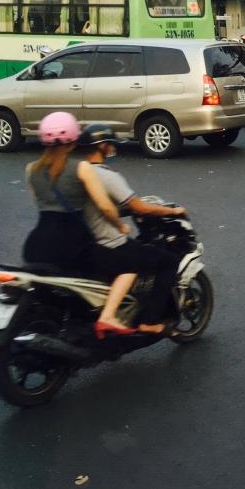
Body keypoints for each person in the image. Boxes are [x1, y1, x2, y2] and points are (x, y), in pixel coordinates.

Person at [21, 113, 133, 327]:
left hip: (36, 244)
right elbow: (105, 206)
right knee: (127, 264)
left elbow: (40, 202)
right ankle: (108, 316)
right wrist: (121, 226)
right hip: (72, 244)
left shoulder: (31, 169)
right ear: (73, 139)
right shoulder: (81, 168)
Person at [77, 124, 188, 336]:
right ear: (102, 146)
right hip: (110, 243)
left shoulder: (78, 173)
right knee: (168, 262)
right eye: (110, 144)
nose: (112, 148)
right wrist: (173, 211)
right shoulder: (107, 176)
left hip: (86, 243)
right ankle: (149, 321)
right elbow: (139, 207)